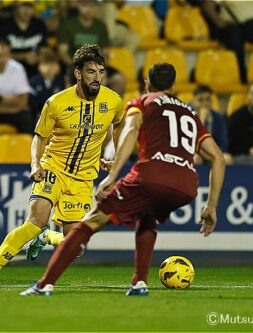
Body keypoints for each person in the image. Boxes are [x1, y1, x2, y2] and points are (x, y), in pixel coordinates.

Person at [19, 62, 226, 296]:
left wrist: (114, 175)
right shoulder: (190, 113)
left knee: (90, 223)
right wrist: (211, 206)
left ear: (147, 84)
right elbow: (218, 159)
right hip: (186, 186)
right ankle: (139, 282)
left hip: (150, 175)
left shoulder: (142, 102)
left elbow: (129, 132)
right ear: (174, 86)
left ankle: (44, 284)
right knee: (147, 217)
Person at [0, 44, 124, 288]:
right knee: (35, 219)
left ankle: (46, 237)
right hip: (53, 167)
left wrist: (114, 155)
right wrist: (35, 164)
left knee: (77, 248)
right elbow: (39, 137)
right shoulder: (56, 103)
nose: (97, 78)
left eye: (100, 72)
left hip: (83, 177)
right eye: (91, 72)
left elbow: (118, 125)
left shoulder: (113, 101)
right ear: (78, 73)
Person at [190, 85, 232, 165]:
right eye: (200, 100)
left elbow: (223, 143)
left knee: (227, 158)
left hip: (211, 153)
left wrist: (211, 154)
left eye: (208, 99)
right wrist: (201, 121)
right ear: (194, 101)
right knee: (196, 158)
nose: (205, 103)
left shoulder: (218, 118)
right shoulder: (186, 116)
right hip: (193, 153)